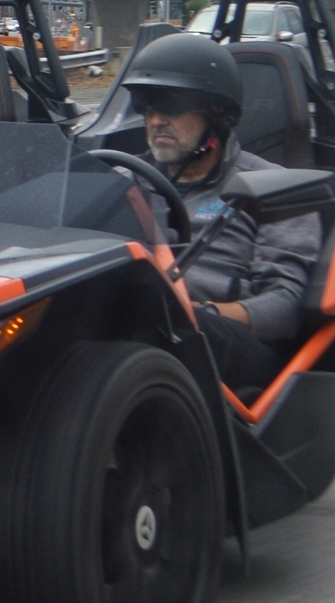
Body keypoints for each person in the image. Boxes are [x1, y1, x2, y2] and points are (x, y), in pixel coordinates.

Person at [116, 34, 321, 394]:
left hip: (231, 344)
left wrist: (199, 314)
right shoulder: (124, 182)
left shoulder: (273, 185)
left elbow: (286, 306)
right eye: (147, 105)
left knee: (158, 324)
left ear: (216, 115)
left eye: (171, 105)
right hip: (137, 326)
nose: (156, 119)